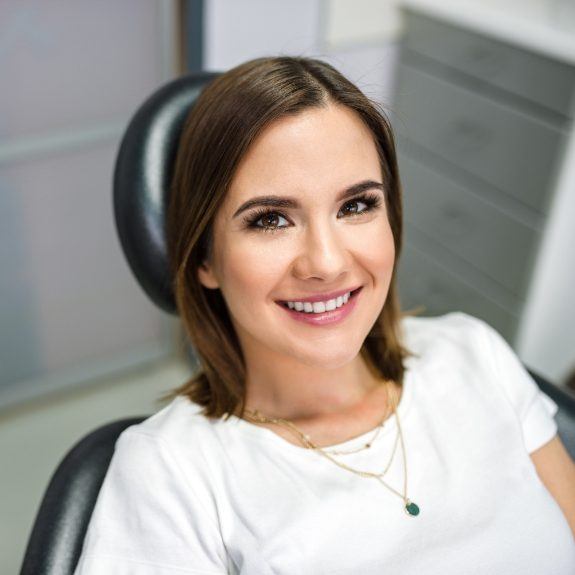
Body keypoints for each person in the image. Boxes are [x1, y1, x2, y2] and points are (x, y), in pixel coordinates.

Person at [74, 56, 575, 574]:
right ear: (204, 257)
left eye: (356, 206)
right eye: (270, 219)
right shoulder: (168, 472)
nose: (328, 263)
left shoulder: (475, 354)